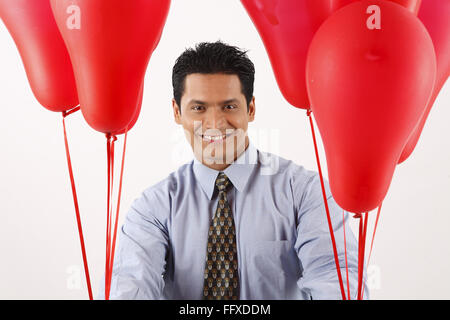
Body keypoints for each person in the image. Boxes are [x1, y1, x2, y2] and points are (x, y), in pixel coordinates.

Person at [98, 41, 366, 300]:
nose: (215, 123)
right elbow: (130, 282)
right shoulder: (153, 207)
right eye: (198, 108)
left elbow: (335, 275)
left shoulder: (305, 192)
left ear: (250, 109)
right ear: (177, 112)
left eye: (229, 106)